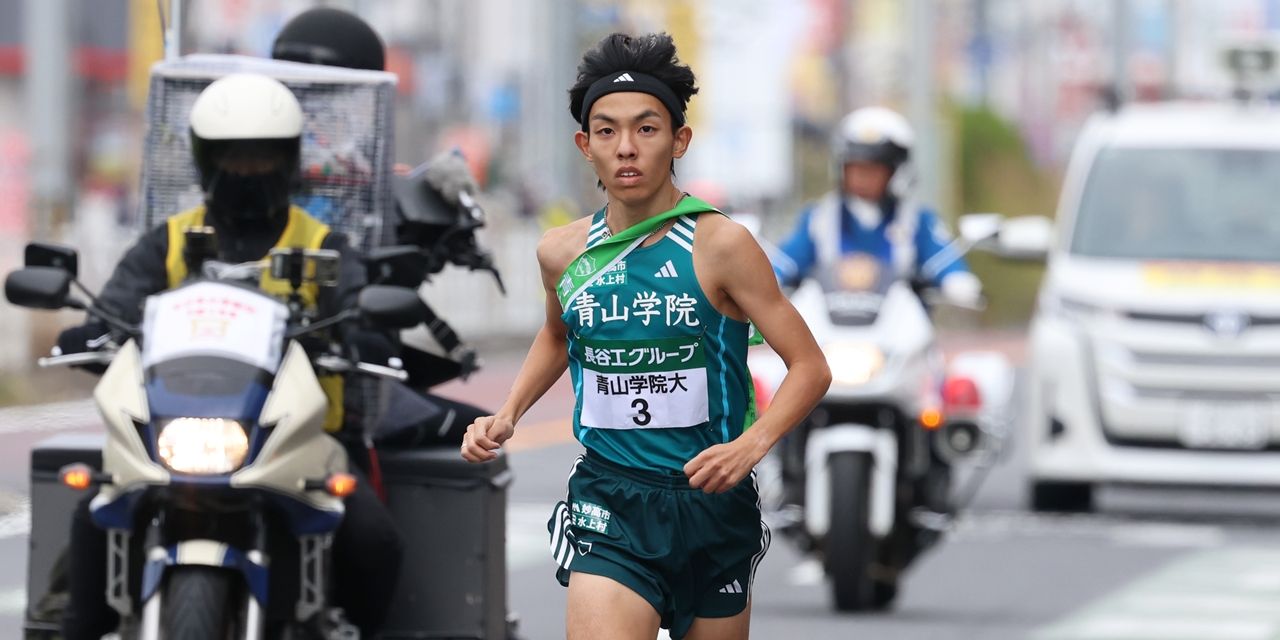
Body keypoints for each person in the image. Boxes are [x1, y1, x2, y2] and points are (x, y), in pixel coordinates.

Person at [460, 33, 831, 640]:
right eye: (606, 131)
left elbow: (810, 367)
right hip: (612, 497)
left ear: (679, 139)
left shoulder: (720, 245)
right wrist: (508, 413)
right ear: (585, 145)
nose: (626, 148)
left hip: (713, 500)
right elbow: (558, 337)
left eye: (647, 129)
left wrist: (751, 445)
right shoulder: (561, 252)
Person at [59, 74, 402, 639]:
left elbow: (360, 304)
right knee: (95, 512)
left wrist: (365, 335)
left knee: (374, 538)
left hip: (298, 440)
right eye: (233, 157)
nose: (248, 171)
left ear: (289, 161)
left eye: (262, 157)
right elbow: (116, 307)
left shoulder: (323, 245)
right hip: (171, 430)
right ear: (205, 160)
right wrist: (89, 332)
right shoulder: (167, 241)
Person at [272, 6, 488, 446]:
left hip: (330, 362)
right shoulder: (355, 172)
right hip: (312, 367)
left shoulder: (367, 175)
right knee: (475, 437)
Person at [771, 106, 982, 305]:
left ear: (897, 171)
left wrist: (958, 281)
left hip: (901, 335)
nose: (863, 177)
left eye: (873, 169)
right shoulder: (819, 219)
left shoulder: (917, 221)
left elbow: (942, 259)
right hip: (830, 334)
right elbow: (786, 261)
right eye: (856, 168)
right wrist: (770, 278)